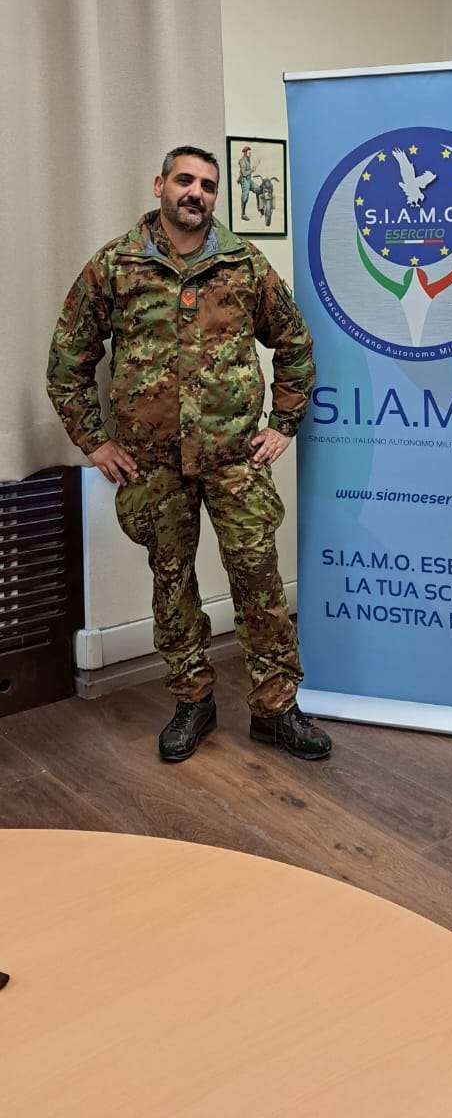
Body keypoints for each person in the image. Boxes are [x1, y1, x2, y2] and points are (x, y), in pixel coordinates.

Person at [47, 145, 331, 765]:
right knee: (171, 581)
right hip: (153, 464)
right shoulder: (116, 265)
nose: (195, 192)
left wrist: (283, 423)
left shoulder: (243, 263)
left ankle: (275, 707)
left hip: (235, 459)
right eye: (184, 180)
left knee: (258, 580)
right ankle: (192, 699)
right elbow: (69, 359)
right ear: (160, 186)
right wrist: (94, 440)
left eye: (207, 184)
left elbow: (294, 342)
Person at [237, 145, 260, 220]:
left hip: (249, 179)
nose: (250, 154)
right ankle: (243, 214)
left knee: (258, 189)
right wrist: (252, 170)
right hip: (244, 180)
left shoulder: (248, 159)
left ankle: (259, 207)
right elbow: (244, 173)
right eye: (249, 153)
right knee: (245, 196)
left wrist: (252, 169)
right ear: (245, 153)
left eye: (250, 153)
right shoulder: (242, 161)